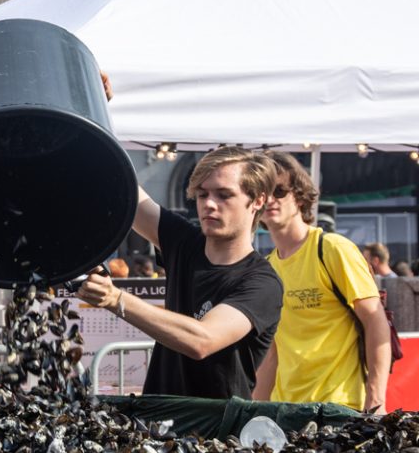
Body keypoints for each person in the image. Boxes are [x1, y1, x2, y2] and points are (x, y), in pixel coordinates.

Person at [76, 146, 283, 399]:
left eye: (224, 195)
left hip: (215, 430)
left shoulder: (262, 283)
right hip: (157, 419)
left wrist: (116, 299)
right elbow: (123, 189)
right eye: (202, 194)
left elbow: (202, 340)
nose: (209, 204)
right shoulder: (185, 242)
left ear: (258, 200)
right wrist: (95, 115)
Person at [253, 152, 389, 413]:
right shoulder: (267, 267)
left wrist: (376, 399)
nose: (270, 199)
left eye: (279, 191)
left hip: (339, 405)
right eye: (262, 191)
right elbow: (272, 353)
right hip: (287, 411)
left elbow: (375, 320)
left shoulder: (332, 249)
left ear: (300, 196)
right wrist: (255, 410)